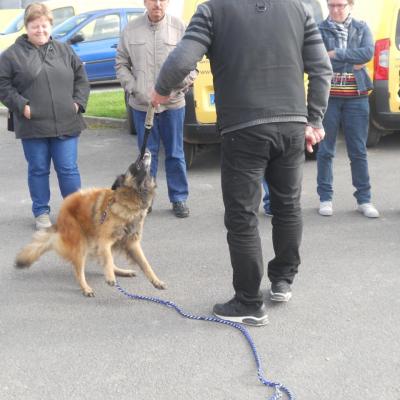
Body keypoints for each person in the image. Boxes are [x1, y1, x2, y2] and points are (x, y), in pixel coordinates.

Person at [151, 0, 332, 326]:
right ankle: (282, 281)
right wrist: (314, 119)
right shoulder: (298, 8)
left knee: (242, 217)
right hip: (292, 124)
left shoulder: (212, 9)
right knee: (288, 206)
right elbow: (322, 69)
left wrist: (160, 91)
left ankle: (248, 301)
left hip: (244, 129)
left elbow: (181, 61)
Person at [0, 2, 90, 231]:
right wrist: (21, 105)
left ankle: (75, 211)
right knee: (38, 169)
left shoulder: (64, 50)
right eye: (34, 26)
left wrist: (78, 102)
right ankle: (41, 211)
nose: (40, 30)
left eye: (44, 26)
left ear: (51, 26)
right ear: (26, 27)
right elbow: (3, 84)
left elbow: (81, 78)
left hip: (66, 122)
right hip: (33, 124)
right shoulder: (11, 55)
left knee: (68, 168)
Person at [115, 0, 196, 218]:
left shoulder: (180, 27)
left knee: (176, 153)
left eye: (162, 0)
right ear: (145, 2)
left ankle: (179, 198)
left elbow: (192, 65)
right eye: (152, 0)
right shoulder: (131, 29)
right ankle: (145, 198)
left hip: (173, 104)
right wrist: (135, 89)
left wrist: (172, 90)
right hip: (142, 105)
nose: (157, 4)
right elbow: (121, 64)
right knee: (146, 156)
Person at [317, 0, 379, 218]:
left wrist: (334, 54)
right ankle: (325, 198)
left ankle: (364, 199)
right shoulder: (319, 29)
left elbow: (367, 53)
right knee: (325, 150)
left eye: (341, 5)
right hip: (328, 97)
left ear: (350, 5)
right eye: (331, 5)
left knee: (358, 150)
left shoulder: (362, 28)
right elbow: (317, 58)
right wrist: (351, 57)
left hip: (357, 98)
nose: (336, 9)